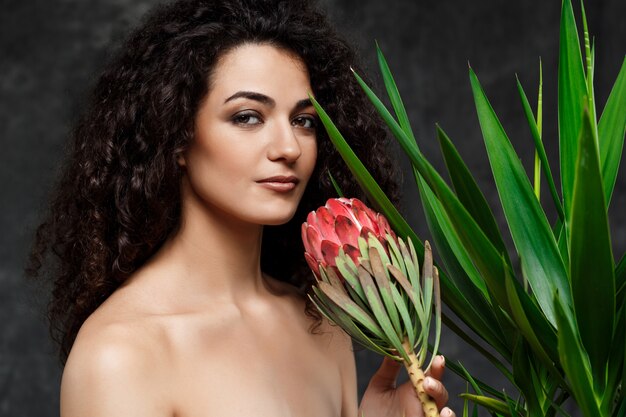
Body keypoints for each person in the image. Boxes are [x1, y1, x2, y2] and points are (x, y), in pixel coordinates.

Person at [28, 0, 455, 416]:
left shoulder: (322, 325)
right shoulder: (121, 356)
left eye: (303, 120)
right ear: (176, 135)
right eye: (248, 117)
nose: (288, 147)